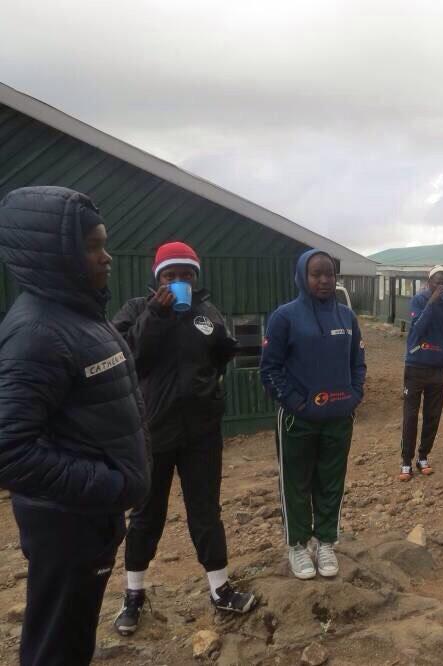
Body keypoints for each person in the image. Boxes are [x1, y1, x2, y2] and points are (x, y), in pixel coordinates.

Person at [0, 186, 150, 666]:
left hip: (89, 520)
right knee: (56, 646)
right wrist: (110, 485)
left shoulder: (80, 315)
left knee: (72, 637)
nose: (106, 257)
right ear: (55, 254)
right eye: (92, 246)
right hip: (68, 524)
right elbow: (9, 449)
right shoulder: (37, 334)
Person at [111, 241, 256, 635]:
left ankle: (220, 588)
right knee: (146, 516)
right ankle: (134, 594)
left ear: (195, 278)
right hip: (153, 433)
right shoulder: (137, 310)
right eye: (170, 275)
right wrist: (155, 316)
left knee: (206, 512)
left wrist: (212, 387)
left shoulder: (205, 312)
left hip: (201, 433)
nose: (178, 281)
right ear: (157, 278)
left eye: (186, 275)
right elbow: (127, 356)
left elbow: (221, 350)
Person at [260, 249, 366, 580]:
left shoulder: (347, 317)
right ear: (302, 277)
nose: (323, 280)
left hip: (338, 418)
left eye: (329, 274)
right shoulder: (285, 317)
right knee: (296, 483)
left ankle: (325, 542)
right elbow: (270, 368)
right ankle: (298, 544)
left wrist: (354, 395)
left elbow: (357, 363)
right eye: (316, 274)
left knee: (330, 483)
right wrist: (296, 403)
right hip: (298, 420)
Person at [398, 266, 443, 481]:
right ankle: (406, 461)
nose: (440, 286)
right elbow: (417, 330)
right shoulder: (419, 301)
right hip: (415, 367)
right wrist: (431, 302)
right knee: (410, 416)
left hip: (437, 371)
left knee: (433, 415)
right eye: (436, 282)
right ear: (428, 281)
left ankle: (423, 456)